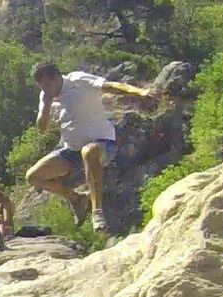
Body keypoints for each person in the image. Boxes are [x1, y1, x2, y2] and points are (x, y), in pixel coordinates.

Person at [24, 62, 158, 232]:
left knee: (89, 151)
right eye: (42, 86)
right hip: (72, 151)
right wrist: (46, 105)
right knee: (33, 176)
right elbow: (42, 128)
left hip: (103, 144)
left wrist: (140, 92)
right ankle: (76, 199)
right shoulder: (45, 96)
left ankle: (97, 212)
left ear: (57, 77)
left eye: (48, 84)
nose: (46, 89)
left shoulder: (78, 79)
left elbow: (110, 86)